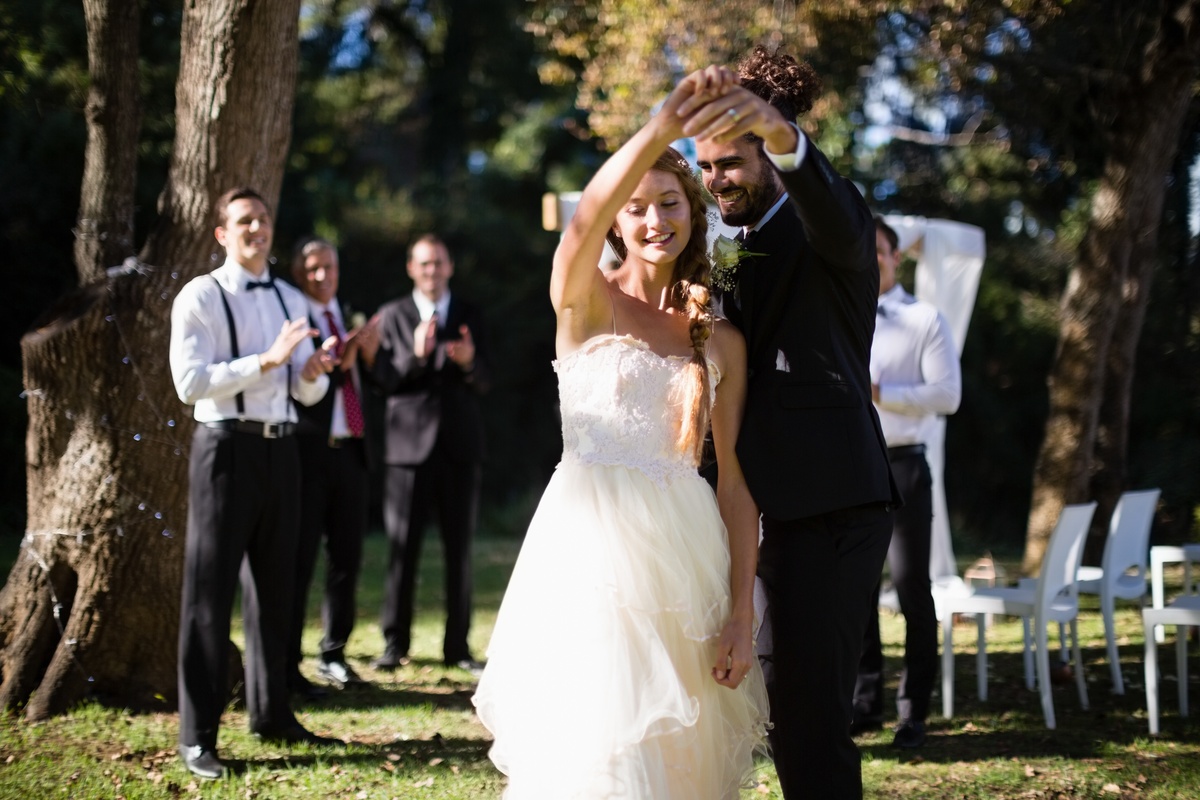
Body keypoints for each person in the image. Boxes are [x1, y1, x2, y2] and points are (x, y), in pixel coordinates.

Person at [472, 72, 769, 799]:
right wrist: (662, 128)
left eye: (669, 204)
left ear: (693, 213)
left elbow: (734, 483)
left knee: (677, 757)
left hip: (687, 558)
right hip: (589, 552)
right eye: (635, 209)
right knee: (597, 746)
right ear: (615, 220)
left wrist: (739, 610)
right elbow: (578, 226)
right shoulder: (584, 298)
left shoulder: (720, 340)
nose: (653, 221)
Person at [687, 49, 901, 799]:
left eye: (731, 163)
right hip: (752, 509)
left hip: (831, 506)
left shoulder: (830, 232)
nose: (717, 180)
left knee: (810, 718)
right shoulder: (727, 252)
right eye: (706, 167)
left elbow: (833, 207)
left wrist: (779, 133)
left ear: (772, 156)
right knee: (773, 710)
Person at [169, 187, 343, 781]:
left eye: (264, 220)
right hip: (225, 451)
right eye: (245, 221)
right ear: (222, 233)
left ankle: (273, 714)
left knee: (278, 588)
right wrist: (264, 362)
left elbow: (305, 390)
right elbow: (189, 383)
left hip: (282, 451)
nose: (257, 229)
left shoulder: (291, 297)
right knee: (208, 596)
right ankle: (197, 739)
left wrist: (313, 373)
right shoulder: (201, 295)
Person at [851, 217, 961, 748]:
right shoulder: (837, 313)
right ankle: (863, 704)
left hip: (904, 464)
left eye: (878, 250)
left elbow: (947, 395)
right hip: (853, 465)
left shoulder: (925, 319)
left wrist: (882, 392)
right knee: (859, 591)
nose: (870, 258)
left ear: (896, 257)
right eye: (861, 249)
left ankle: (914, 711)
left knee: (913, 588)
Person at [368, 234, 491, 673]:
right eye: (423, 264)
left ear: (450, 266)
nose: (431, 271)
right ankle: (393, 644)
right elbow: (382, 381)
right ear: (410, 269)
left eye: (438, 263)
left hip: (459, 450)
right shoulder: (392, 316)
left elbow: (488, 382)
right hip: (407, 452)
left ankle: (457, 648)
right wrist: (416, 357)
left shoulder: (471, 313)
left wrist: (470, 364)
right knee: (402, 551)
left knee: (459, 552)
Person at [286, 237, 381, 696]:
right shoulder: (293, 318)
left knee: (346, 558)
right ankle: (287, 659)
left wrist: (365, 355)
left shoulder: (346, 313)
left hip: (353, 449)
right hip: (309, 452)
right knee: (299, 557)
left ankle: (334, 653)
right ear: (299, 273)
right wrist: (334, 362)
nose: (323, 275)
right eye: (313, 268)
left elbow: (372, 381)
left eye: (330, 266)